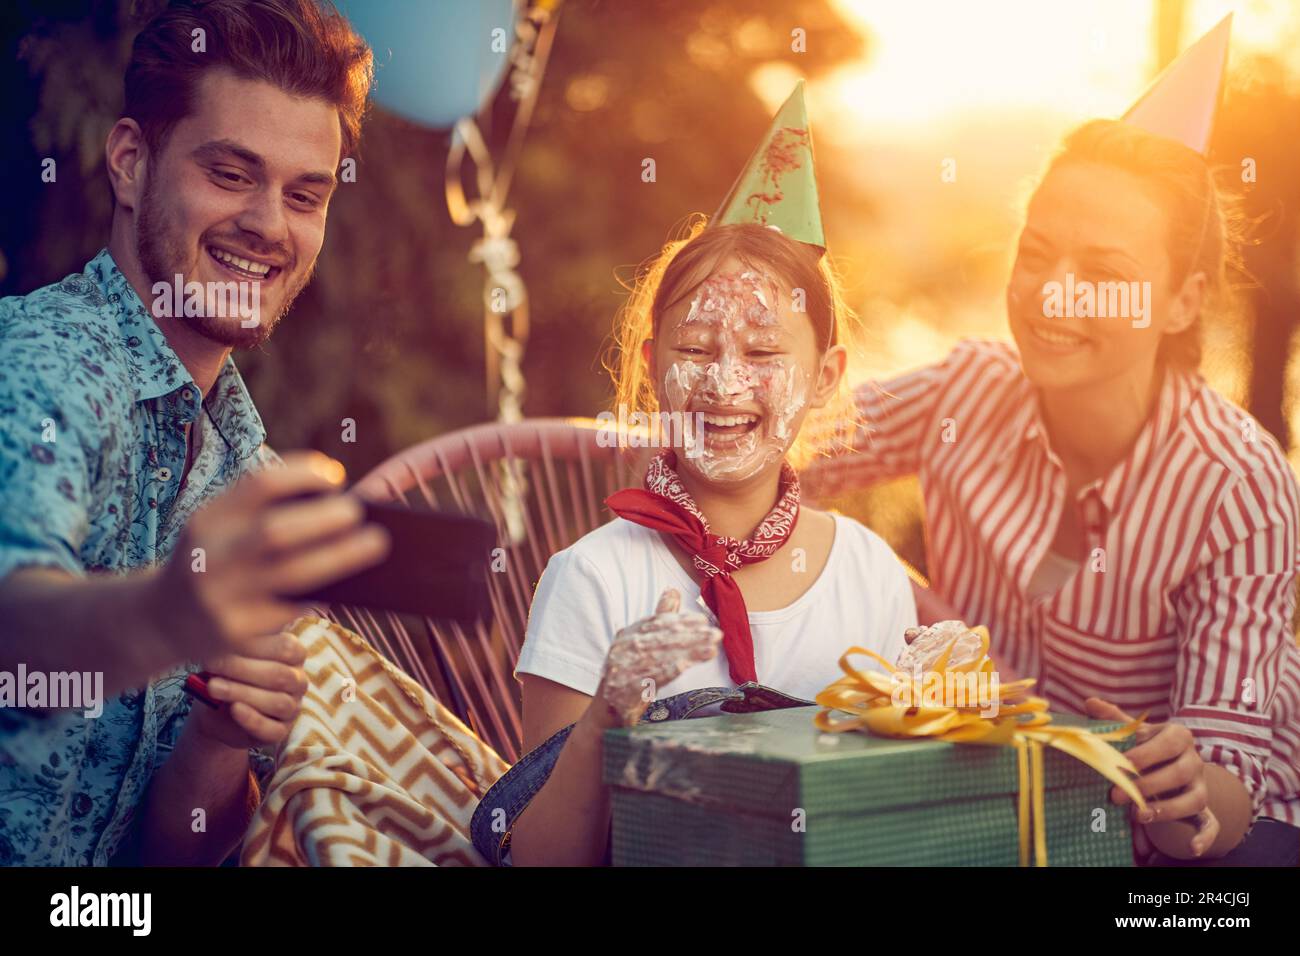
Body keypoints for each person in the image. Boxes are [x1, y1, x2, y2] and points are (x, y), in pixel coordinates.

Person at [804, 18, 1300, 865]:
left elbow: (1223, 786)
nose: (1052, 297)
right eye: (1036, 254)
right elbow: (777, 457)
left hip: (1204, 842)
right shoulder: (964, 392)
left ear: (1182, 301)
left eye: (1104, 275)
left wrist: (1187, 785)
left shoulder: (1238, 484)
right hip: (994, 803)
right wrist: (884, 583)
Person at [486, 84, 918, 866]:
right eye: (694, 350)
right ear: (651, 367)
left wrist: (936, 713)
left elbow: (882, 826)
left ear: (825, 377)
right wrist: (608, 718)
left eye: (761, 354)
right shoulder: (590, 580)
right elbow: (540, 857)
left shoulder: (870, 575)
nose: (724, 384)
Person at [0, 0, 388, 866]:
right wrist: (166, 615)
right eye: (230, 174)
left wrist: (217, 735)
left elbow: (169, 859)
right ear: (132, 162)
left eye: (304, 195)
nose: (269, 225)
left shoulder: (246, 468)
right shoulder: (42, 369)